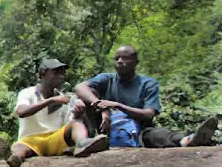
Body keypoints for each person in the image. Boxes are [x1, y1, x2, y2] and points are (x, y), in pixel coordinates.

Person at [74, 45, 217, 149]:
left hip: (139, 130)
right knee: (82, 101)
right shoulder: (106, 78)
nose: (119, 61)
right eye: (117, 58)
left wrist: (118, 106)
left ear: (136, 62)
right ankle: (86, 141)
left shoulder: (148, 84)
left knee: (157, 135)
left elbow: (149, 114)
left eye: (125, 58)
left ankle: (188, 140)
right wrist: (100, 105)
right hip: (105, 129)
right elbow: (79, 87)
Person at [1, 58, 108, 167]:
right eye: (56, 71)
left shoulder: (65, 98)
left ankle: (82, 143)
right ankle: (15, 158)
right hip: (30, 140)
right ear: (43, 73)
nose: (61, 75)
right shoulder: (28, 93)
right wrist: (51, 100)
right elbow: (21, 112)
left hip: (55, 140)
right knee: (19, 148)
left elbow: (69, 125)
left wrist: (78, 114)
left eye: (63, 71)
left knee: (76, 124)